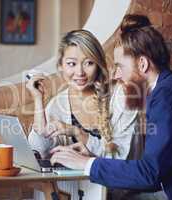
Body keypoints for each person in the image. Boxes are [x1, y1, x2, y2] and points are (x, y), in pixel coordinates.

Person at [49, 14, 172, 200]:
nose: (115, 75)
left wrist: (86, 163)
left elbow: (149, 175)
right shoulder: (169, 89)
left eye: (120, 67)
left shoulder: (165, 96)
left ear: (142, 64)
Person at [26, 30, 143, 199]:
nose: (80, 72)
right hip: (82, 193)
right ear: (61, 66)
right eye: (72, 64)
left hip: (123, 193)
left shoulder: (121, 97)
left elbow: (121, 158)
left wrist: (77, 133)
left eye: (88, 63)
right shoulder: (58, 104)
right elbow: (38, 152)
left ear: (98, 64)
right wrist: (38, 101)